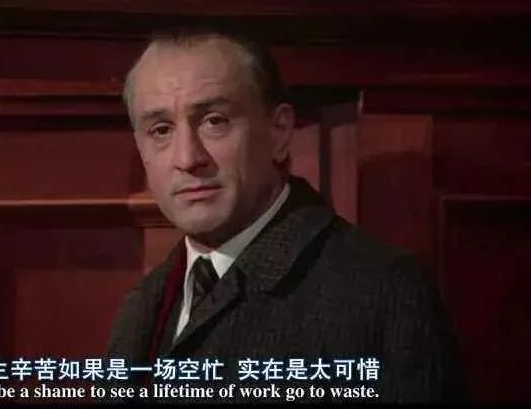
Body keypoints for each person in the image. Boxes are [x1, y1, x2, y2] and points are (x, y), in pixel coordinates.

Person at [105, 26, 465, 403]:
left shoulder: (384, 292)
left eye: (215, 121)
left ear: (278, 131)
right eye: (161, 129)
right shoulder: (143, 303)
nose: (187, 158)